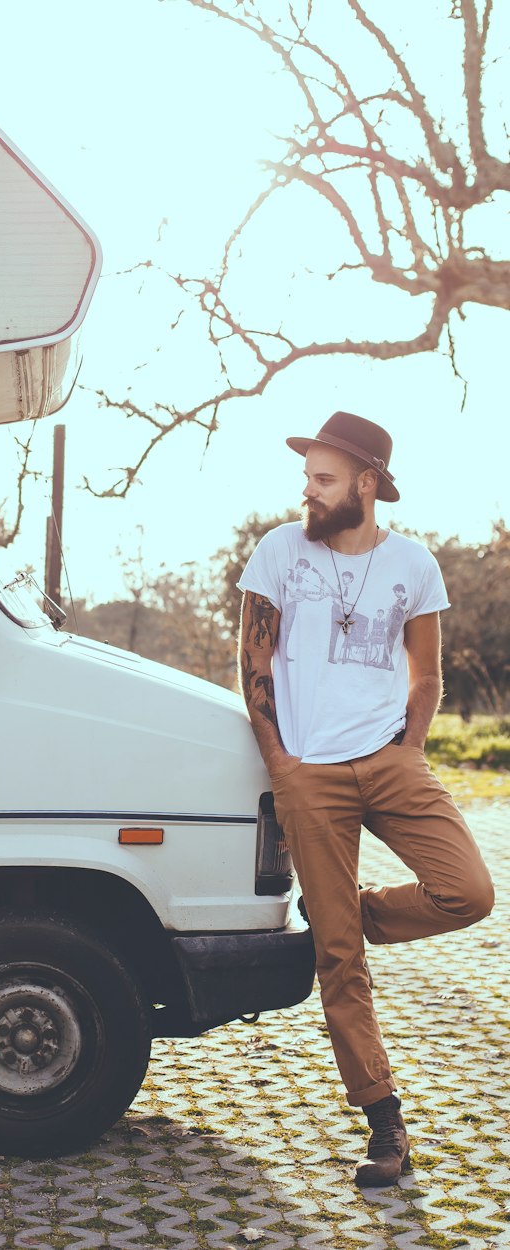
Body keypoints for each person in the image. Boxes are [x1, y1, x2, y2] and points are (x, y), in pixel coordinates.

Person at [236, 411, 494, 1189]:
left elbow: (426, 673)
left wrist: (409, 750)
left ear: (367, 483)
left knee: (470, 892)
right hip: (309, 772)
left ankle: (345, 909)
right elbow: (251, 661)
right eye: (307, 478)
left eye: (324, 478)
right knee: (338, 961)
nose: (309, 492)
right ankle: (385, 1122)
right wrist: (283, 765)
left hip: (390, 761)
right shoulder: (279, 550)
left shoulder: (414, 563)